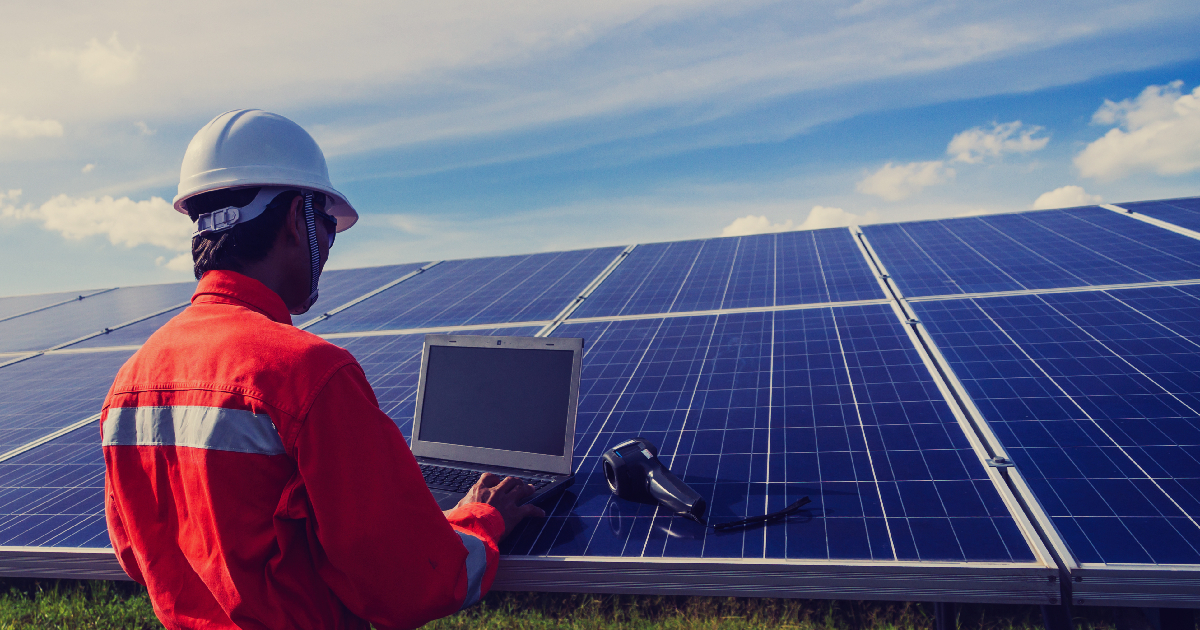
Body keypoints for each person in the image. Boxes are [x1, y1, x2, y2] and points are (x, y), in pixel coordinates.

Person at [101, 109, 544, 629]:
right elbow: (413, 585)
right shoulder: (308, 373)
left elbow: (137, 555)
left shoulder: (130, 382)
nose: (331, 244)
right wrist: (480, 521)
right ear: (296, 220)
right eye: (329, 223)